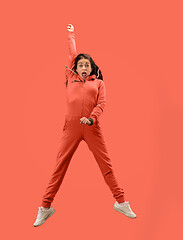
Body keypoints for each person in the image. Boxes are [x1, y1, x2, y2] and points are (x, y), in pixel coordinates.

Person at [33, 24, 136, 227]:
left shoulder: (98, 83)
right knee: (59, 167)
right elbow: (72, 54)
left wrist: (92, 118)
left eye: (86, 65)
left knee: (106, 166)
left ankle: (121, 202)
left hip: (91, 127)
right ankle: (45, 207)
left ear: (91, 67)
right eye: (80, 64)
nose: (83, 67)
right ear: (75, 68)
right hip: (70, 127)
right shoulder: (70, 78)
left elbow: (102, 103)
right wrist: (71, 35)